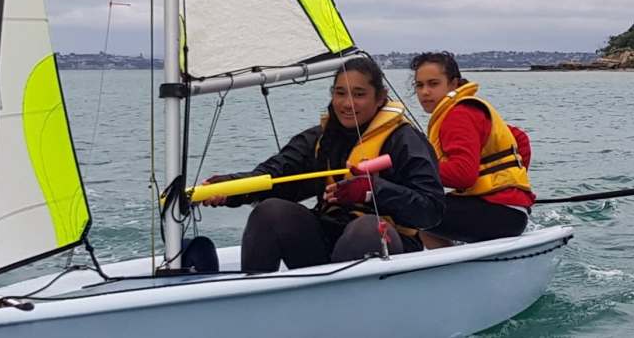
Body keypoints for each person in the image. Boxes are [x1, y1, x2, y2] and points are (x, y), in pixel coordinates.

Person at [203, 57, 444, 272]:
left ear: (379, 98)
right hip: (328, 242)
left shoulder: (405, 140)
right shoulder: (320, 139)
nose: (347, 104)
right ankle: (251, 304)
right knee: (271, 212)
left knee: (367, 229)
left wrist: (372, 190)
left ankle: (338, 308)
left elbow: (430, 211)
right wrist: (230, 188)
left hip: (389, 247)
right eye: (340, 93)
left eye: (359, 94)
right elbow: (275, 175)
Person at [411, 51, 535, 247]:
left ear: (453, 84)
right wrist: (515, 191)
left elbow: (462, 176)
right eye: (419, 85)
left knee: (411, 209)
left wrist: (411, 169)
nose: (425, 92)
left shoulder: (457, 115)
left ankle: (451, 274)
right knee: (424, 215)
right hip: (514, 211)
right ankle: (454, 264)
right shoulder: (468, 110)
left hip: (500, 214)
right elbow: (520, 139)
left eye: (433, 84)